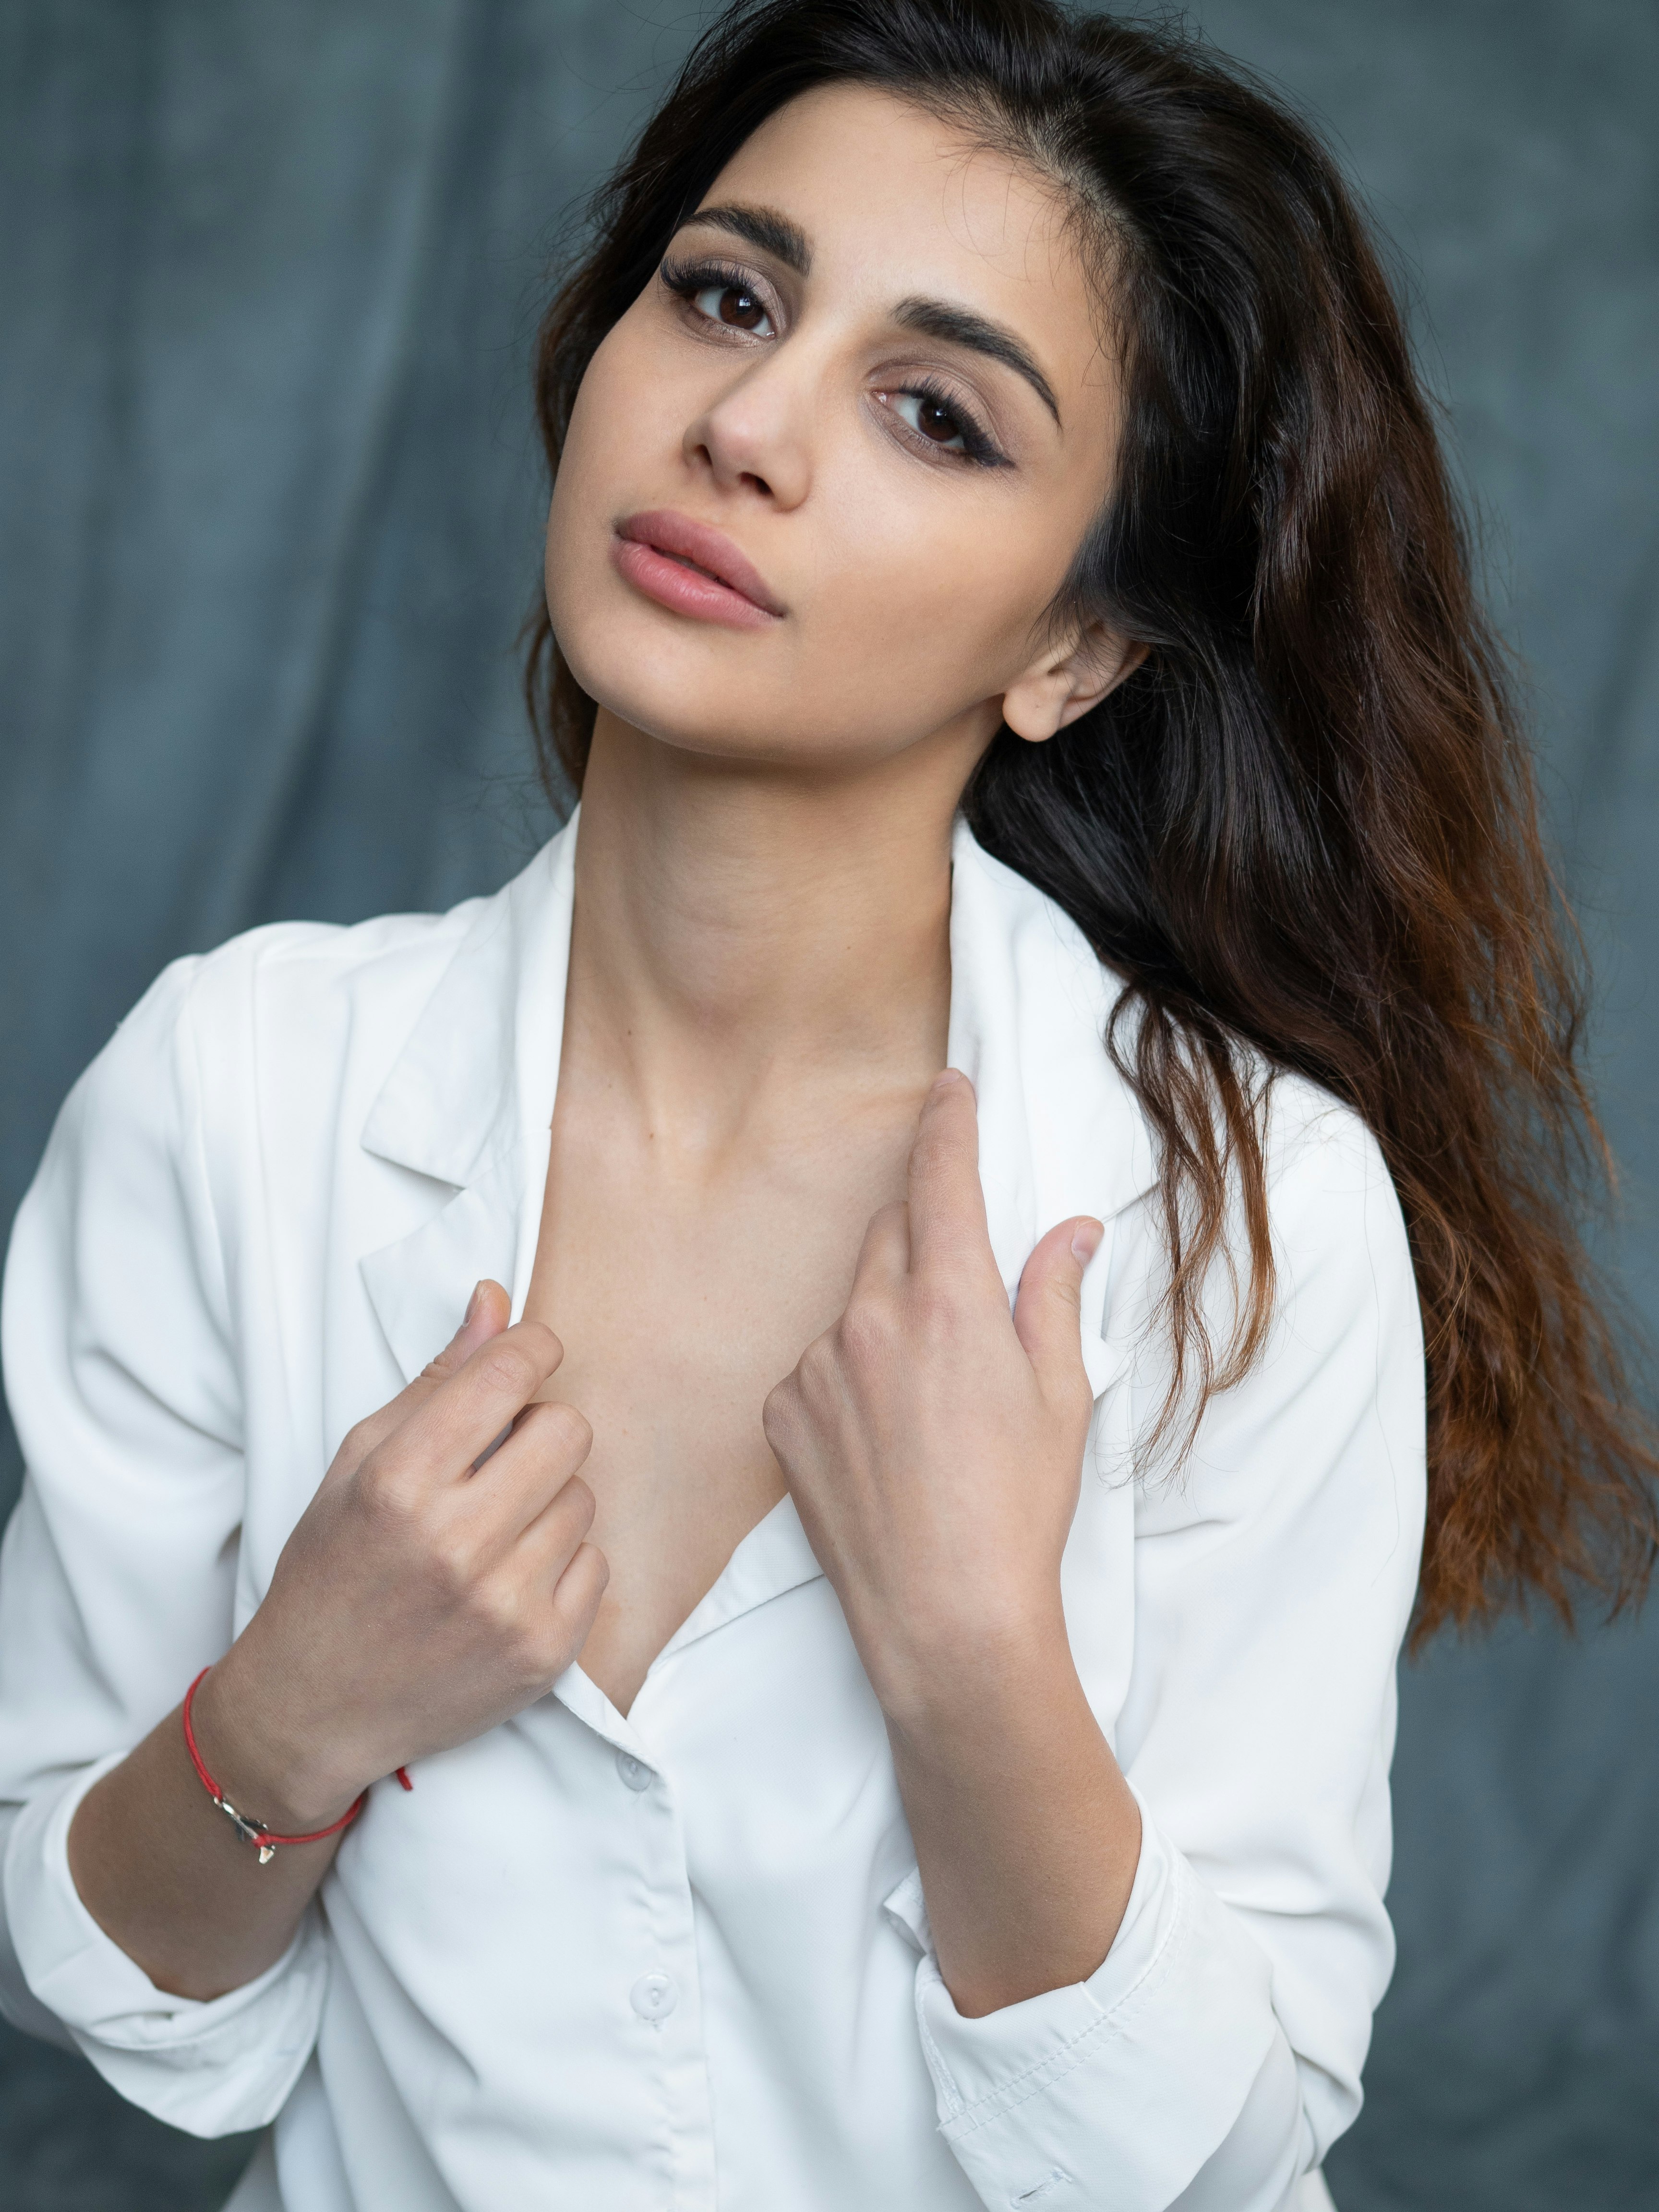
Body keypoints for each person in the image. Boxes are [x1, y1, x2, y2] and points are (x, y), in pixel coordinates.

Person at [0, 1, 1652, 2206]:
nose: (750, 425)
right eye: (724, 294)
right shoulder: (235, 1091)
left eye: (938, 415)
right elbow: (107, 1990)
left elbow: (1220, 2160)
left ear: (1074, 652)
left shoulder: (1244, 1207)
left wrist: (975, 1650)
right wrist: (283, 1713)